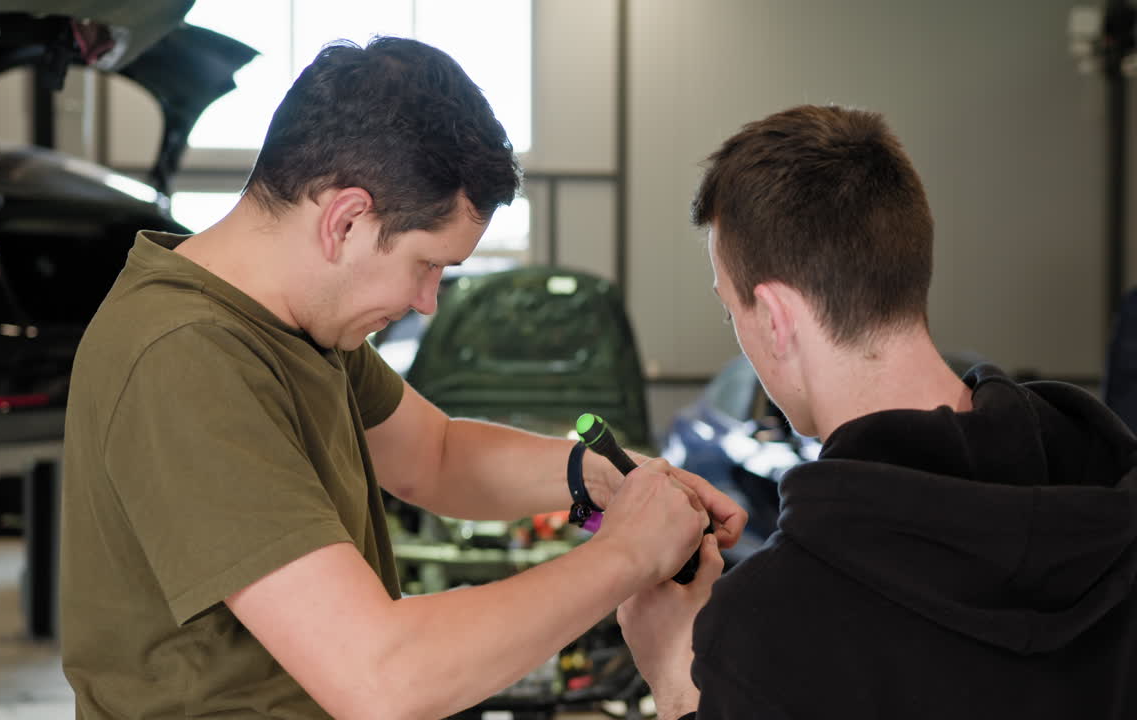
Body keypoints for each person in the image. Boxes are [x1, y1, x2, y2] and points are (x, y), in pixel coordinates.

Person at [59, 36, 745, 720]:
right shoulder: (187, 356)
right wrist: (628, 555)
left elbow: (433, 455)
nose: (428, 302)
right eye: (428, 264)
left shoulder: (294, 320)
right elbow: (383, 681)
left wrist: (600, 477)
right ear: (347, 219)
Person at [617, 104, 1137, 720]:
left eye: (733, 314)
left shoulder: (771, 628)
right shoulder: (1106, 488)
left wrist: (676, 678)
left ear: (778, 321)